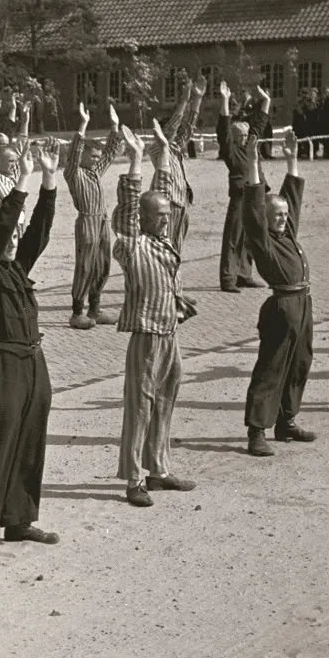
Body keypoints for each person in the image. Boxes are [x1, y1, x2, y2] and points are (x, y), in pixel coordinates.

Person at [0, 141, 60, 567]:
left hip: (34, 362)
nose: (15, 239)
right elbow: (3, 229)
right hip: (3, 366)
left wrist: (49, 180)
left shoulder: (17, 269)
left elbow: (37, 231)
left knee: (29, 441)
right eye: (7, 234)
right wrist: (21, 180)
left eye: (16, 235)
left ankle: (19, 519)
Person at [114, 123, 196, 507]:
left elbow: (168, 196)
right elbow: (132, 205)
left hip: (169, 332)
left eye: (166, 215)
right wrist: (134, 159)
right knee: (140, 406)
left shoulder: (166, 243)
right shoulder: (133, 245)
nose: (166, 220)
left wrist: (161, 154)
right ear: (144, 220)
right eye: (158, 216)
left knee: (166, 399)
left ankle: (158, 469)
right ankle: (133, 479)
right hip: (147, 334)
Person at [242, 128, 316, 456]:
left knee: (300, 363)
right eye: (277, 216)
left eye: (285, 215)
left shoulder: (287, 232)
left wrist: (292, 159)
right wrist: (253, 161)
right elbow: (254, 206)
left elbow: (293, 198)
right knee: (271, 367)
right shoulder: (264, 241)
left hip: (304, 303)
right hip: (282, 306)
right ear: (267, 220)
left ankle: (287, 421)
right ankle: (257, 431)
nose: (284, 219)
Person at [61, 99, 123, 329]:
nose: (97, 159)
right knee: (85, 265)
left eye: (98, 157)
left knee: (102, 265)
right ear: (84, 155)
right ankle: (77, 312)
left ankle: (95, 309)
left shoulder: (95, 171)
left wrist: (115, 127)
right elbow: (74, 154)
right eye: (93, 156)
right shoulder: (74, 173)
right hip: (87, 221)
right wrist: (83, 125)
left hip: (102, 221)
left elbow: (109, 154)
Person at [216, 83, 271, 292]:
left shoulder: (251, 145)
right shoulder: (232, 151)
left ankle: (244, 274)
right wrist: (224, 101)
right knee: (233, 236)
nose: (245, 137)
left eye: (246, 134)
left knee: (250, 235)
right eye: (240, 135)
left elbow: (260, 122)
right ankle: (228, 278)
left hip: (257, 193)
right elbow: (223, 130)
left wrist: (266, 101)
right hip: (240, 195)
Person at [150, 73, 205, 253]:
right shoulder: (157, 149)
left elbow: (188, 128)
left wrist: (197, 100)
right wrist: (183, 101)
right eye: (170, 132)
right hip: (168, 203)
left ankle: (172, 278)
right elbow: (173, 127)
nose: (176, 135)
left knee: (177, 248)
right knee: (166, 246)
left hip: (181, 204)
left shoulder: (175, 149)